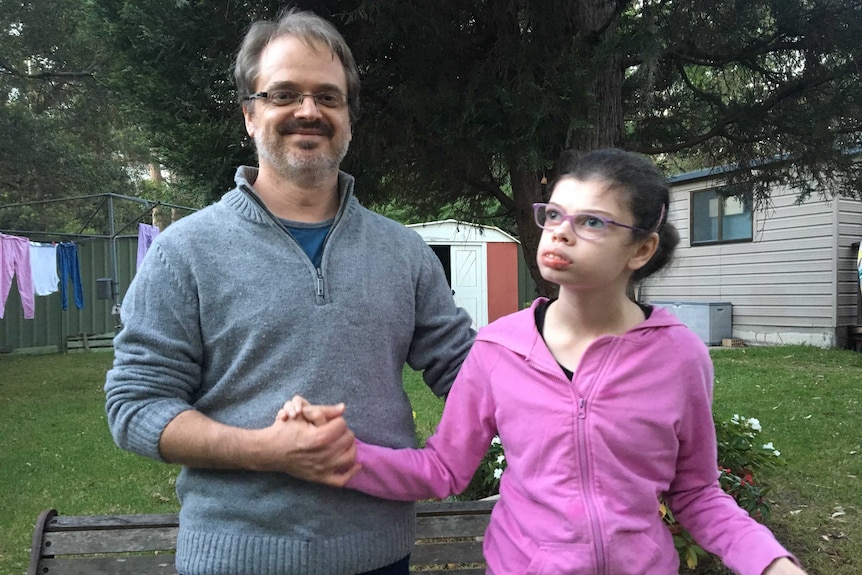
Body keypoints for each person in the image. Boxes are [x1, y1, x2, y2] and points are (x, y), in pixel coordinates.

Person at [286, 149, 807, 575]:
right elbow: (443, 470)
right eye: (554, 214)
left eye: (592, 222)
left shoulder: (679, 355)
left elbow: (696, 492)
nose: (559, 232)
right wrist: (341, 456)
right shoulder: (498, 349)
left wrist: (772, 563)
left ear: (641, 249)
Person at [103, 9, 474, 575]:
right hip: (234, 559)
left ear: (349, 118)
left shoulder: (404, 252)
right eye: (284, 93)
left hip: (381, 556)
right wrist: (264, 451)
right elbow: (135, 406)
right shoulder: (185, 252)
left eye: (329, 96)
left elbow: (467, 373)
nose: (309, 111)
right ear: (250, 115)